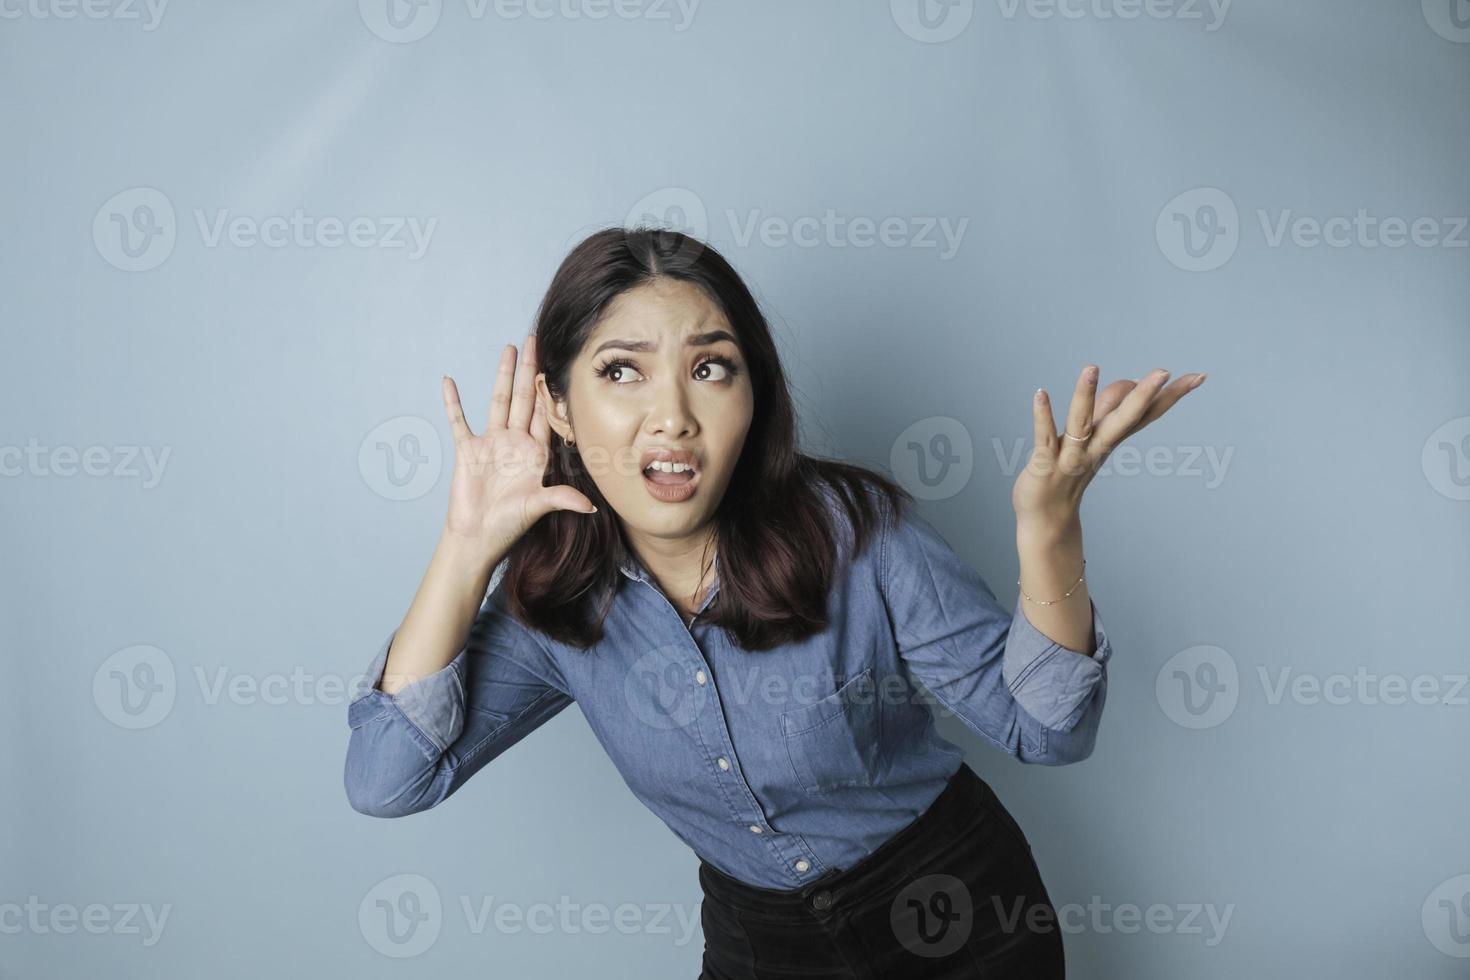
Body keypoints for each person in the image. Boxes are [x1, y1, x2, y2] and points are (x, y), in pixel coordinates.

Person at [342, 227, 1205, 977]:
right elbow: (387, 783)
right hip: (764, 946)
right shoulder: (551, 606)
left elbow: (1048, 732)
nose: (671, 415)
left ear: (752, 398)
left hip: (958, 918)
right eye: (621, 372)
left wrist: (1048, 530)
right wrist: (466, 549)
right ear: (558, 408)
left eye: (710, 367)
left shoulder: (859, 533)